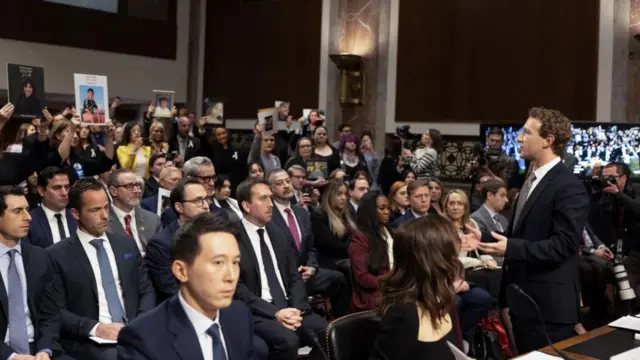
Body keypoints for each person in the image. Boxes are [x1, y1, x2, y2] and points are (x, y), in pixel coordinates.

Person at [477, 107, 589, 353]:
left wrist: (511, 247)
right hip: (522, 301)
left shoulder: (568, 186)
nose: (518, 137)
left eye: (526, 132)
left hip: (547, 307)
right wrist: (483, 238)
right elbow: (523, 236)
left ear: (548, 141)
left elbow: (564, 245)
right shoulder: (530, 181)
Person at [117, 213, 267, 360]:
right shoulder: (142, 338)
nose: (231, 276)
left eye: (235, 262)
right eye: (218, 263)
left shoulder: (239, 315)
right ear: (181, 271)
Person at [42, 178, 156, 360]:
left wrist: (138, 324)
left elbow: (146, 290)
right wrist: (97, 328)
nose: (104, 215)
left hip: (135, 331)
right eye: (95, 210)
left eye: (106, 207)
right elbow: (56, 311)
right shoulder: (56, 255)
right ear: (75, 213)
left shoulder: (125, 245)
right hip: (91, 340)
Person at [234, 178, 328, 360]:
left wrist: (296, 309)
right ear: (246, 205)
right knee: (288, 341)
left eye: (270, 198)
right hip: (259, 311)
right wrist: (275, 313)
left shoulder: (278, 232)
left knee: (327, 332)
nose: (270, 204)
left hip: (290, 306)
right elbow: (238, 289)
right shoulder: (233, 237)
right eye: (263, 199)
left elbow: (294, 275)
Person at [370, 216, 464, 360]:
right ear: (434, 263)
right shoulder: (403, 316)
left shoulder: (444, 300)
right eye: (452, 255)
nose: (456, 261)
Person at [0, 186, 76, 360]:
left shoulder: (39, 257)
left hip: (38, 348)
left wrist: (45, 349)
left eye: (27, 209)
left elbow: (50, 313)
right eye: (18, 211)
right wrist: (11, 356)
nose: (28, 217)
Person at [268, 169, 350, 318]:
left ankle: (340, 326)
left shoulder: (302, 213)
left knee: (340, 279)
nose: (286, 185)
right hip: (285, 277)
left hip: (307, 273)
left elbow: (311, 247)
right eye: (279, 183)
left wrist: (312, 267)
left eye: (287, 181)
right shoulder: (268, 215)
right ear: (271, 190)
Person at [146, 178, 212, 301]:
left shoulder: (217, 235)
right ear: (179, 207)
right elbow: (170, 290)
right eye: (198, 201)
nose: (206, 206)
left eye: (207, 199)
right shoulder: (161, 244)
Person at [349, 191, 393, 312]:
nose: (387, 212)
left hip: (396, 289)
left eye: (388, 208)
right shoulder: (360, 238)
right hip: (376, 295)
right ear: (370, 211)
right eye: (382, 208)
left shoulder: (391, 232)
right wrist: (391, 282)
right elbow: (363, 278)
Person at [106, 170, 162, 256]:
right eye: (129, 186)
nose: (137, 191)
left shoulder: (153, 220)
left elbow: (159, 255)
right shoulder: (103, 221)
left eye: (137, 185)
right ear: (113, 191)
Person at [160, 157, 229, 226]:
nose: (212, 183)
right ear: (189, 179)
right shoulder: (170, 216)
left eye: (213, 177)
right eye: (206, 178)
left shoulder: (221, 214)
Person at [25, 167, 78, 248]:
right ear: (41, 191)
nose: (64, 193)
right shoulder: (29, 220)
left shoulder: (77, 217)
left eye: (67, 187)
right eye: (57, 187)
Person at [310, 179, 356, 270]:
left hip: (349, 259)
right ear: (329, 196)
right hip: (331, 264)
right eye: (339, 194)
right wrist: (354, 249)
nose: (344, 198)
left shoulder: (348, 214)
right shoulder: (319, 216)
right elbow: (330, 246)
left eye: (345, 194)